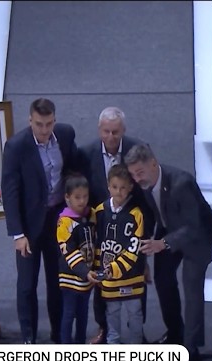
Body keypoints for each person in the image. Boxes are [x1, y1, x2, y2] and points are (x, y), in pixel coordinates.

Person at [1, 98, 80, 344]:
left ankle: (58, 334)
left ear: (54, 120)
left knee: (57, 281)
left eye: (48, 124)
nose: (44, 130)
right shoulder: (17, 146)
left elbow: (74, 171)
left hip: (57, 220)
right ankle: (28, 339)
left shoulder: (65, 135)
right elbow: (10, 190)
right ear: (30, 121)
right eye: (39, 124)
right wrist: (17, 233)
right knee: (27, 285)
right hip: (29, 225)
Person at [125, 143, 212, 360]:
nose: (137, 180)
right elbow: (156, 214)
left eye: (140, 173)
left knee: (192, 290)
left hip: (198, 238)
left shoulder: (182, 183)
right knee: (163, 279)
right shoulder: (144, 185)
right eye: (133, 175)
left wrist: (162, 244)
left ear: (154, 164)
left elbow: (193, 226)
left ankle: (191, 348)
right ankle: (175, 334)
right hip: (169, 230)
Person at [78, 106, 154, 344]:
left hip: (132, 228)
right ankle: (104, 330)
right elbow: (82, 193)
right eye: (106, 131)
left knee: (135, 276)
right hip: (101, 228)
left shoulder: (138, 149)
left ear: (124, 130)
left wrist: (145, 239)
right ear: (99, 129)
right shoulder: (85, 153)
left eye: (116, 132)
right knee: (103, 278)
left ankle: (137, 334)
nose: (111, 137)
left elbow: (147, 196)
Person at [94, 164, 146, 344]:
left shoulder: (136, 214)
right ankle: (113, 343)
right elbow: (96, 243)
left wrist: (114, 269)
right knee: (112, 311)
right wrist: (99, 269)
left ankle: (136, 345)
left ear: (131, 187)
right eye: (115, 187)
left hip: (131, 276)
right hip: (108, 278)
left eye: (123, 187)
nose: (119, 191)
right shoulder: (99, 211)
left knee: (135, 311)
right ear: (108, 186)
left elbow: (134, 248)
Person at [56, 174, 97, 344]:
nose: (82, 201)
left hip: (87, 277)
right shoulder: (64, 222)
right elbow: (69, 251)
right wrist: (85, 271)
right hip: (70, 276)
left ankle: (80, 344)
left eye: (85, 196)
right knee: (69, 313)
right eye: (77, 197)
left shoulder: (92, 215)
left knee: (83, 312)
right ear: (67, 198)